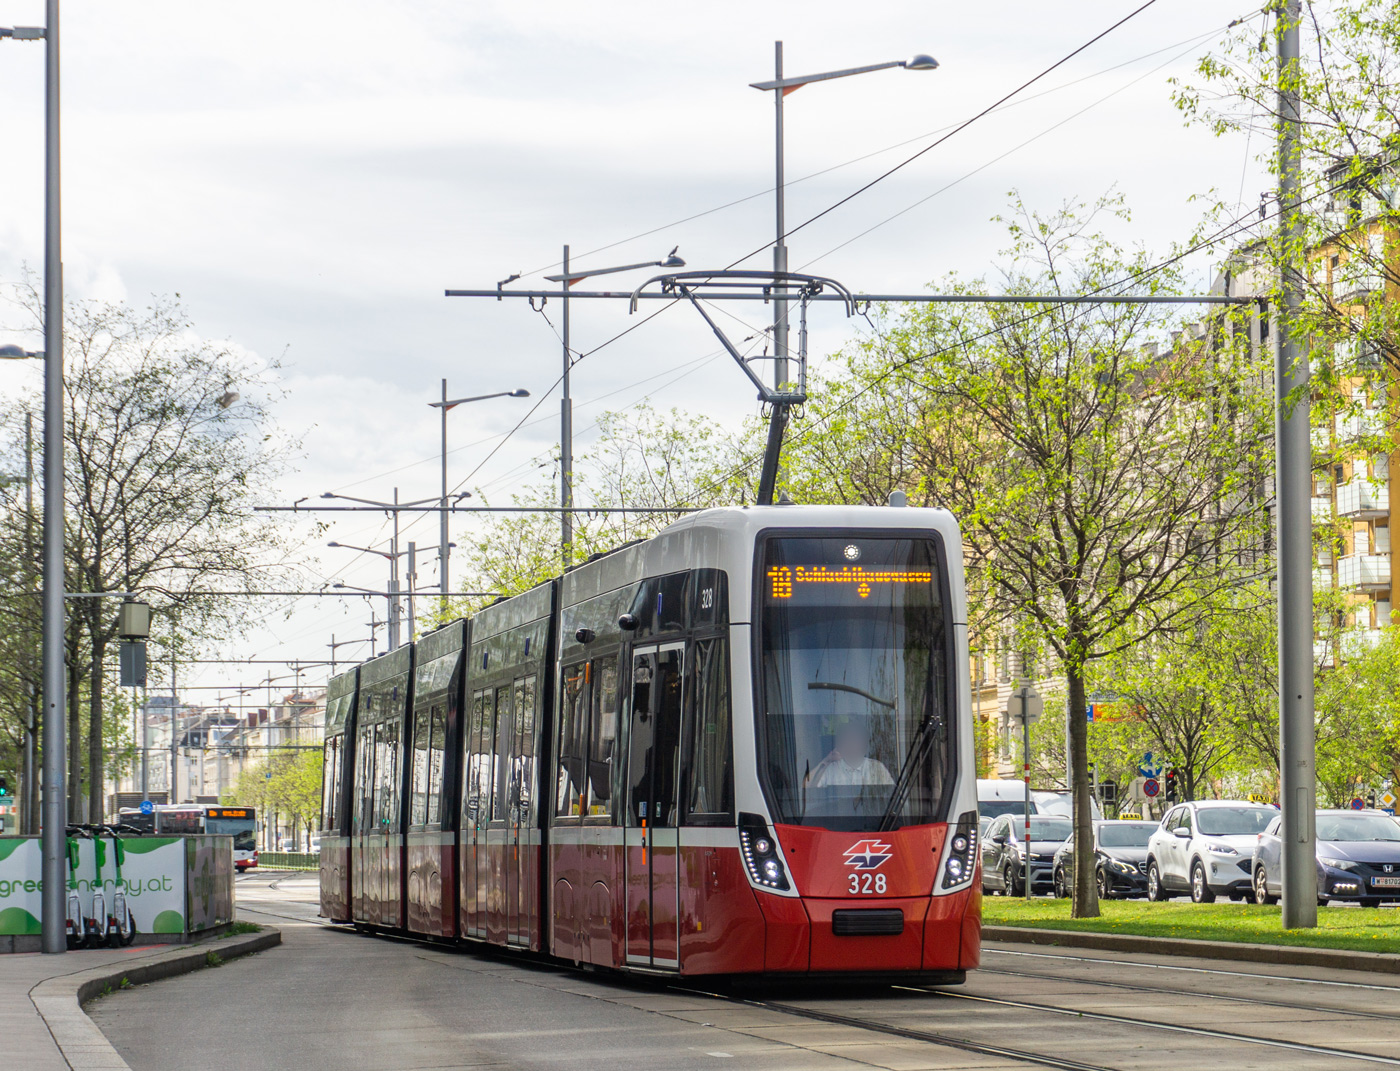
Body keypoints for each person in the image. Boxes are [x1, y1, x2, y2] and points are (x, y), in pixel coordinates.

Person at [807, 720, 894, 789]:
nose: (852, 744)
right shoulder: (830, 769)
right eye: (847, 739)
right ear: (839, 744)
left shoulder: (877, 768)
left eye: (856, 739)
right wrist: (826, 761)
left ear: (865, 743)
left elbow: (892, 795)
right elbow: (806, 789)